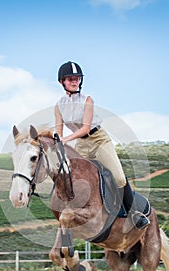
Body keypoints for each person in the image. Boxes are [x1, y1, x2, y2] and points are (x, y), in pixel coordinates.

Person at [55, 60, 149, 231]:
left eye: (77, 78)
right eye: (70, 79)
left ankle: (134, 213)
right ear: (62, 82)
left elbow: (85, 128)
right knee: (75, 177)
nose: (74, 81)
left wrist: (66, 139)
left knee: (119, 176)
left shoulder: (88, 100)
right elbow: (58, 132)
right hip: (82, 145)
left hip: (98, 140)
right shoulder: (59, 105)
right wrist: (57, 141)